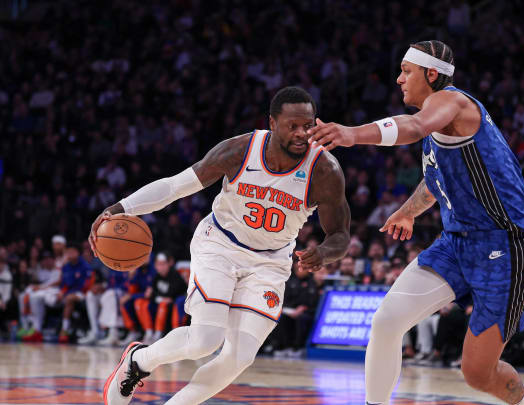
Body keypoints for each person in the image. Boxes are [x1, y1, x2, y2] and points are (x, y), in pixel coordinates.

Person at [309, 40, 524, 405]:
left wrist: (352, 134)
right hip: (457, 242)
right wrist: (409, 210)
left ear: (431, 74)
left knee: (477, 374)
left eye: (407, 70)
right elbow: (435, 178)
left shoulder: (455, 102)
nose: (399, 78)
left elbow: (414, 125)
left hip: (510, 247)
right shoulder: (440, 128)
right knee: (387, 321)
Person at [91, 86, 351, 405]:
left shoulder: (325, 169)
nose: (302, 133)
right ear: (272, 122)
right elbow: (175, 186)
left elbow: (340, 234)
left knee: (239, 357)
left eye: (308, 125)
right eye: (292, 126)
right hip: (220, 245)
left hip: (270, 263)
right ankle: (139, 361)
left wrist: (323, 253)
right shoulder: (240, 150)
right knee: (204, 339)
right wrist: (120, 209)